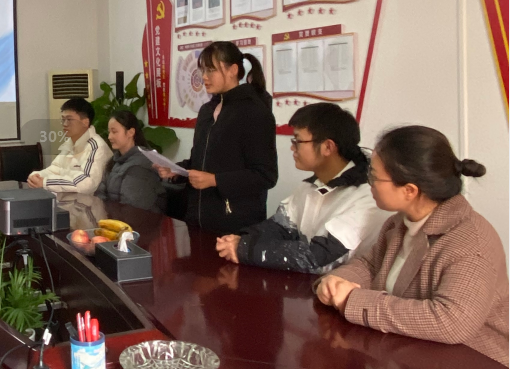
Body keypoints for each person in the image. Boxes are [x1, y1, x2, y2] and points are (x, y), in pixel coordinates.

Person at [315, 125, 508, 366]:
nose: (369, 183)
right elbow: (369, 265)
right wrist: (338, 281)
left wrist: (353, 301)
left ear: (409, 190)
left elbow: (451, 322)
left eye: (374, 177)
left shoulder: (471, 242)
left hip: (472, 363)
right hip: (408, 355)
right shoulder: (399, 223)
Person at [215, 103, 389, 273]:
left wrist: (244, 249)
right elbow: (281, 226)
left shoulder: (368, 196)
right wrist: (240, 239)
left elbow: (317, 257)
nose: (292, 147)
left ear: (328, 147)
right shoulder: (311, 186)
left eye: (297, 141)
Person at [155, 41, 278, 234]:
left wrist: (216, 180)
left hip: (235, 224)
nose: (204, 77)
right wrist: (177, 170)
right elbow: (200, 161)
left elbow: (265, 176)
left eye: (211, 70)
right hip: (198, 218)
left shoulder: (255, 112)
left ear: (233, 70)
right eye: (203, 70)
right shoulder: (206, 111)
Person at [28, 98, 110, 194]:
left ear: (85, 122)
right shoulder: (70, 143)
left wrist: (46, 182)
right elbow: (56, 169)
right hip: (68, 200)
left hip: (90, 202)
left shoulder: (96, 147)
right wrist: (37, 176)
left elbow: (87, 183)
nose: (65, 124)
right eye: (63, 119)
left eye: (69, 119)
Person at [95, 110, 166, 212]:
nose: (109, 137)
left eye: (114, 132)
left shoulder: (142, 163)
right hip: (114, 216)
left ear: (130, 132)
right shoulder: (114, 160)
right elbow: (100, 193)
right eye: (109, 132)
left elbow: (133, 206)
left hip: (139, 219)